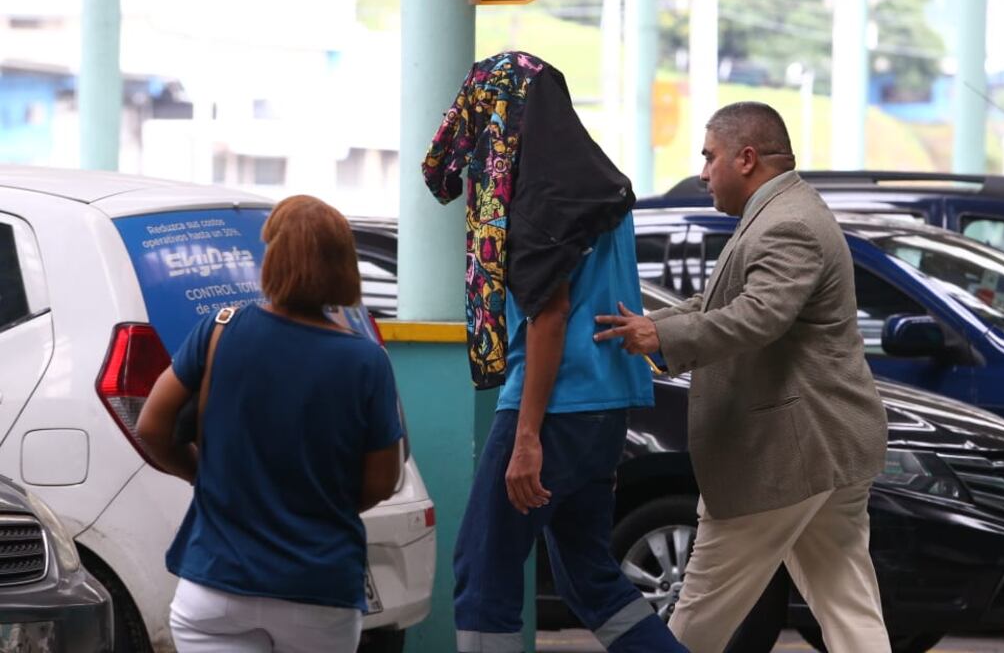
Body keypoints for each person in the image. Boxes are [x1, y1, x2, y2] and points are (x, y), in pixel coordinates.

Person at [594, 101, 891, 653]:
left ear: (747, 158)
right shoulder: (780, 212)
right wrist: (647, 325)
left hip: (786, 455)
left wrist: (660, 338)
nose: (704, 173)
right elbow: (716, 302)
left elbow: (760, 316)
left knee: (700, 610)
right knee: (848, 606)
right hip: (824, 449)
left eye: (710, 157)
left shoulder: (789, 224)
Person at [423, 52, 687, 653]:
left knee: (484, 571)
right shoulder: (599, 185)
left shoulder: (539, 192)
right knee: (589, 577)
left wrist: (526, 437)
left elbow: (549, 317)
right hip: (603, 405)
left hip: (552, 406)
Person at [137, 195, 402, 653]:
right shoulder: (365, 361)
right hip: (320, 589)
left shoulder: (219, 329)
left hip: (216, 587)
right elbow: (382, 480)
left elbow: (152, 427)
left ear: (272, 257)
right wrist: (319, 505)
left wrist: (201, 475)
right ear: (344, 266)